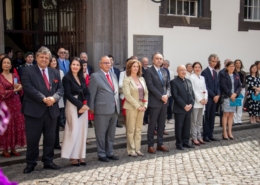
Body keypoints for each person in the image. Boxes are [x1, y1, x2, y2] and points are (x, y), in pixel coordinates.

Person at [21, 46, 64, 174]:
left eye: (47, 57)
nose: (44, 59)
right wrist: (43, 98)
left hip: (51, 111)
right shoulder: (27, 71)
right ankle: (31, 163)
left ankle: (48, 161)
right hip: (34, 111)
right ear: (36, 57)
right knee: (33, 139)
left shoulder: (55, 72)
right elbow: (28, 87)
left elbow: (60, 89)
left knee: (50, 138)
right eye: (42, 57)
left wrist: (54, 98)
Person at [89, 56, 120, 162]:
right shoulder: (95, 76)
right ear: (100, 64)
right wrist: (91, 108)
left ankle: (110, 152)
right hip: (101, 110)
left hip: (114, 108)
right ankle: (101, 154)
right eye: (105, 63)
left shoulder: (113, 75)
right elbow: (92, 94)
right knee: (101, 133)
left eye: (109, 63)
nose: (108, 64)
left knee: (111, 133)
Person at [61, 58, 90, 166]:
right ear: (70, 66)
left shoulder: (82, 77)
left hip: (83, 105)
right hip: (73, 105)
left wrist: (86, 104)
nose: (75, 66)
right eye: (73, 64)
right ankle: (72, 156)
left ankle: (80, 155)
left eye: (77, 65)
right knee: (73, 130)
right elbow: (67, 94)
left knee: (82, 131)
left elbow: (87, 92)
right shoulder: (66, 78)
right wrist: (80, 105)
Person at [144, 52, 170, 154]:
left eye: (161, 58)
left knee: (161, 125)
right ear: (153, 60)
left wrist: (167, 95)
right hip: (155, 102)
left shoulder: (164, 71)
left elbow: (168, 85)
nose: (159, 60)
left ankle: (160, 144)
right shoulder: (149, 71)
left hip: (164, 102)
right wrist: (161, 96)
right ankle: (150, 145)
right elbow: (151, 86)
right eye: (157, 58)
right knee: (152, 125)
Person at [0, 57, 26, 157]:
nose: (6, 64)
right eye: (4, 63)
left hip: (16, 103)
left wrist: (19, 88)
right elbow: (2, 92)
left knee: (16, 124)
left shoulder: (14, 75)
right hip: (4, 104)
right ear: (1, 65)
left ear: (11, 65)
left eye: (8, 63)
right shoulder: (0, 76)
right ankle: (5, 149)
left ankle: (13, 147)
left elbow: (19, 88)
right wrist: (14, 91)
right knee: (6, 125)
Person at [122, 59, 148, 157]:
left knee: (139, 129)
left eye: (137, 66)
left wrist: (144, 105)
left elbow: (146, 93)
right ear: (129, 67)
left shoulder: (142, 79)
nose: (136, 68)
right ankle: (131, 149)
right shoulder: (127, 80)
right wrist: (138, 106)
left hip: (142, 107)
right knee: (131, 129)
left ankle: (138, 149)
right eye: (134, 66)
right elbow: (127, 95)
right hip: (131, 107)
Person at [171, 65, 195, 150]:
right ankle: (179, 143)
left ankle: (186, 142)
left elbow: (192, 94)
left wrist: (191, 104)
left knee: (187, 127)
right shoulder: (174, 82)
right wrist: (184, 106)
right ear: (177, 71)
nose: (183, 71)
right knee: (179, 127)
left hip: (189, 108)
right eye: (181, 70)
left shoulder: (188, 81)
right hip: (180, 109)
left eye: (184, 70)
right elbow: (175, 96)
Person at [219, 61, 241, 140]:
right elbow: (223, 86)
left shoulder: (236, 74)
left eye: (233, 66)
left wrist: (235, 94)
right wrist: (230, 94)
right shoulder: (223, 75)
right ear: (227, 67)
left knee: (231, 114)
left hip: (234, 97)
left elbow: (239, 85)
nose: (232, 68)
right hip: (226, 97)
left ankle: (230, 132)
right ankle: (224, 132)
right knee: (226, 115)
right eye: (230, 66)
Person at [201, 54, 220, 142]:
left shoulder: (215, 72)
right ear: (209, 61)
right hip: (208, 98)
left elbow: (217, 85)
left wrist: (218, 95)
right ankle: (205, 135)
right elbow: (206, 86)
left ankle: (211, 134)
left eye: (216, 61)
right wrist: (213, 95)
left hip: (215, 99)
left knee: (212, 117)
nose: (214, 63)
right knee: (207, 117)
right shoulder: (205, 72)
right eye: (213, 61)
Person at [48, 56, 65, 149]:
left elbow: (61, 87)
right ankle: (50, 143)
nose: (54, 62)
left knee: (57, 123)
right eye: (52, 61)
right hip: (48, 100)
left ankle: (56, 143)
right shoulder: (47, 72)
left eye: (55, 60)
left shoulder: (60, 72)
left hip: (59, 100)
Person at [189, 62, 207, 146]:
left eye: (199, 67)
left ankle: (199, 136)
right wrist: (200, 99)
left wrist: (205, 99)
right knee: (194, 121)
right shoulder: (191, 78)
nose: (197, 68)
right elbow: (193, 90)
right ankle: (194, 138)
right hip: (196, 103)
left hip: (203, 103)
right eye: (195, 67)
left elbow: (205, 89)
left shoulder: (202, 78)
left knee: (200, 121)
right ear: (193, 68)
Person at [108, 54, 122, 128]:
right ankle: (110, 122)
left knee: (116, 108)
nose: (110, 61)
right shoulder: (105, 71)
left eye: (111, 60)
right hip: (108, 93)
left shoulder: (117, 70)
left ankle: (116, 122)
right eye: (109, 60)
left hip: (116, 93)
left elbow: (119, 81)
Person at [82, 59, 94, 144]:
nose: (84, 67)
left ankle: (85, 138)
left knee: (85, 121)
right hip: (80, 99)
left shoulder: (88, 75)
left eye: (85, 65)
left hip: (87, 98)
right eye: (83, 65)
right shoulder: (78, 76)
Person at [233, 59, 246, 125]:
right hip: (234, 90)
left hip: (241, 90)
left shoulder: (243, 73)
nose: (238, 64)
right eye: (237, 63)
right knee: (235, 105)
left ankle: (239, 119)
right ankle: (235, 120)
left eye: (239, 63)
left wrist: (241, 88)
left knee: (240, 105)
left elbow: (244, 82)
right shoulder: (233, 72)